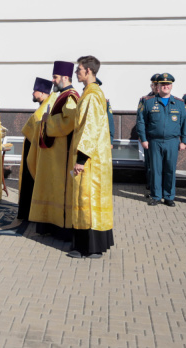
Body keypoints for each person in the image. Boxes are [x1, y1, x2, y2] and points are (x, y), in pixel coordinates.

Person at [68, 56, 114, 259]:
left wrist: (80, 159)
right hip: (94, 158)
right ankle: (90, 246)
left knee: (87, 200)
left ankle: (90, 247)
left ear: (88, 71)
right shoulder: (91, 93)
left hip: (90, 160)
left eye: (79, 69)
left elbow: (90, 129)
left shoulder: (91, 96)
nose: (76, 73)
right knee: (89, 200)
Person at [30, 61, 79, 236]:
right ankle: (49, 224)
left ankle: (62, 228)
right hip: (54, 153)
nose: (52, 80)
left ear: (65, 77)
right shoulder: (61, 95)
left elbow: (69, 122)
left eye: (55, 77)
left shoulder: (70, 96)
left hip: (62, 155)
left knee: (60, 191)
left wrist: (46, 122)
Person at [137, 73, 186, 207]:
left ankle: (169, 196)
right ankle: (156, 196)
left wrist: (184, 140)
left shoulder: (179, 103)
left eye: (168, 84)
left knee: (170, 170)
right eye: (162, 84)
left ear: (171, 86)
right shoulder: (149, 102)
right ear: (158, 86)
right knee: (155, 170)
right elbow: (141, 122)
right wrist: (143, 139)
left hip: (172, 142)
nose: (165, 86)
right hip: (154, 141)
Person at [17, 77, 53, 220]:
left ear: (43, 93)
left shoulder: (47, 106)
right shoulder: (43, 105)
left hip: (36, 150)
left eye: (35, 91)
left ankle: (30, 213)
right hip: (32, 147)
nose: (33, 93)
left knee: (31, 180)